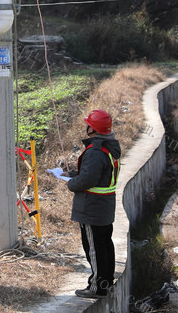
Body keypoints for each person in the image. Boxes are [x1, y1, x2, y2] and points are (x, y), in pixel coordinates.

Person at [66, 109, 122, 299]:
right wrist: (76, 175)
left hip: (92, 208)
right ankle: (106, 283)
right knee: (104, 245)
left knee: (94, 248)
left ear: (93, 128)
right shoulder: (108, 148)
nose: (86, 126)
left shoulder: (95, 152)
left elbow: (87, 180)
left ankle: (97, 287)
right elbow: (98, 176)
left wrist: (71, 183)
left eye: (88, 124)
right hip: (104, 207)